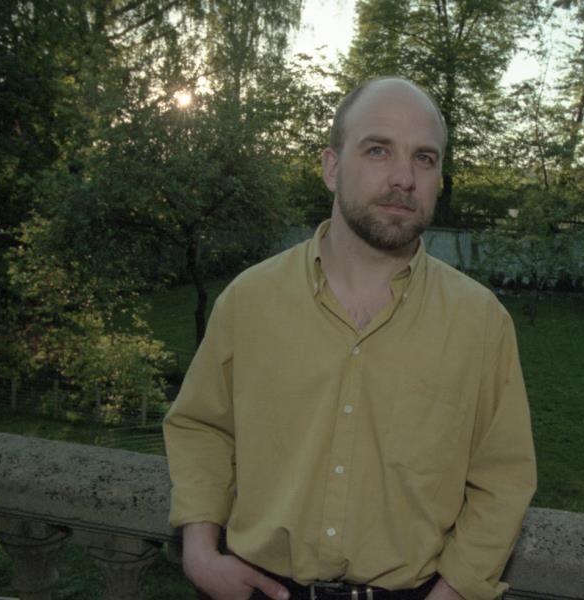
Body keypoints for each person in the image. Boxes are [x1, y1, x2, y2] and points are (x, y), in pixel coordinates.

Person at [163, 76, 536, 600]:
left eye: (424, 158)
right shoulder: (249, 301)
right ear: (331, 167)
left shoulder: (482, 323)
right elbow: (202, 427)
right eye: (378, 150)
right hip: (258, 587)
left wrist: (454, 592)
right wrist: (200, 550)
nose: (404, 178)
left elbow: (503, 479)